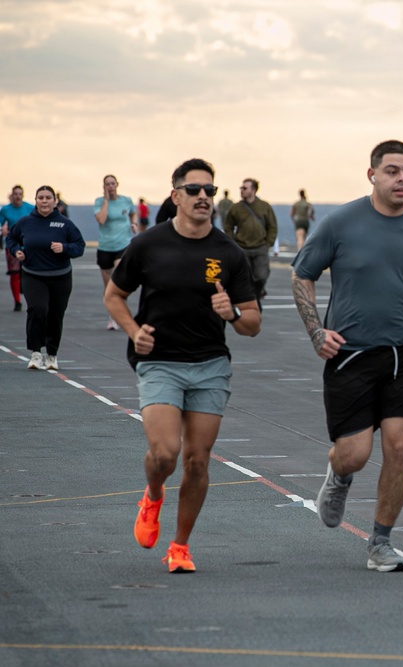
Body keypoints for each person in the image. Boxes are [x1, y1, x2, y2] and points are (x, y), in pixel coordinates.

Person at [291, 140, 403, 572]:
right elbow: (302, 275)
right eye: (392, 171)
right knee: (354, 453)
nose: (402, 179)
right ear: (372, 174)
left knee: (400, 446)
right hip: (351, 354)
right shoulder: (340, 224)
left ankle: (380, 542)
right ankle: (339, 475)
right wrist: (316, 332)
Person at [104, 158, 261, 573]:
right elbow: (114, 296)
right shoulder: (148, 245)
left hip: (210, 365)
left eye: (209, 190)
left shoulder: (228, 252)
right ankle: (153, 493)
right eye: (194, 190)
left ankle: (180, 545)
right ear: (175, 196)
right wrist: (133, 331)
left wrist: (231, 314)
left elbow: (252, 323)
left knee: (197, 460)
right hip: (159, 363)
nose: (204, 197)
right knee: (166, 453)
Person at [7, 186, 85, 370]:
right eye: (40, 197)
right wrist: (16, 250)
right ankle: (35, 353)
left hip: (60, 276)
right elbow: (11, 238)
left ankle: (52, 354)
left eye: (48, 198)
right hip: (33, 275)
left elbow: (79, 246)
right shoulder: (25, 222)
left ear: (54, 201)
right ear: (35, 201)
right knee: (37, 309)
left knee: (55, 315)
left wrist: (64, 248)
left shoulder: (65, 224)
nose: (44, 201)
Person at [224, 178, 277, 306]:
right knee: (245, 277)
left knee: (261, 275)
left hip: (260, 247)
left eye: (245, 188)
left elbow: (272, 226)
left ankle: (258, 293)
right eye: (241, 188)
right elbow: (228, 226)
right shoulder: (236, 208)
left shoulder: (264, 206)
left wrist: (268, 243)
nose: (241, 190)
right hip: (242, 247)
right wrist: (232, 243)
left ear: (253, 190)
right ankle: (253, 301)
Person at [94, 174, 136, 330]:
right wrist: (106, 200)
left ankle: (121, 317)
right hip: (106, 246)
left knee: (119, 279)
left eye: (112, 184)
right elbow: (101, 219)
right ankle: (113, 316)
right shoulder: (99, 202)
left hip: (123, 245)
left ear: (117, 184)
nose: (110, 187)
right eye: (107, 184)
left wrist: (134, 223)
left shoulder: (126, 200)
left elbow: (133, 212)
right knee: (109, 288)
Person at [1, 185, 33, 312]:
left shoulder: (29, 208)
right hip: (12, 245)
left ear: (23, 195)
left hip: (28, 245)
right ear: (12, 195)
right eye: (16, 194)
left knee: (28, 272)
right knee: (14, 273)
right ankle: (17, 301)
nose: (18, 196)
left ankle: (26, 292)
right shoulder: (5, 210)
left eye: (20, 194)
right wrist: (3, 229)